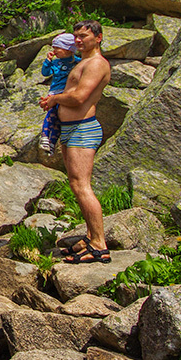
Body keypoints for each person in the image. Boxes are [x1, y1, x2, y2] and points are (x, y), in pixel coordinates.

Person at [39, 20, 112, 264]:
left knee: (82, 185)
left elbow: (80, 97)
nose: (78, 40)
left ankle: (99, 244)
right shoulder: (81, 62)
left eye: (84, 36)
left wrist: (54, 99)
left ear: (98, 38)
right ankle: (91, 236)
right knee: (76, 184)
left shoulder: (96, 64)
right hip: (71, 129)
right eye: (76, 37)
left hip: (82, 129)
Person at [38, 32, 82, 153]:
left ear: (68, 49)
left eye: (58, 48)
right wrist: (47, 61)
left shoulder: (77, 62)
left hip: (67, 93)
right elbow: (45, 73)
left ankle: (52, 143)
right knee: (52, 112)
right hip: (55, 92)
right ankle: (45, 136)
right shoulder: (56, 63)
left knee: (59, 119)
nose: (55, 51)